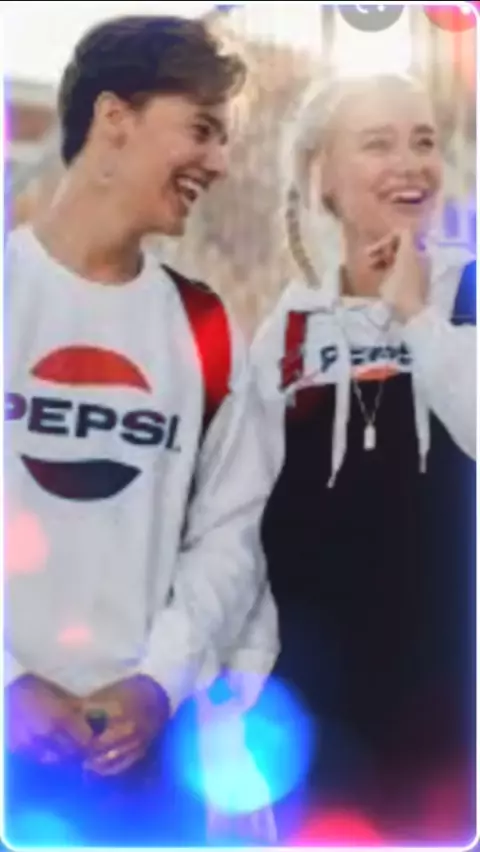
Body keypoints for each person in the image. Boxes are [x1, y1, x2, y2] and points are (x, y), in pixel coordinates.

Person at [4, 15, 278, 846]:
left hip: (142, 766)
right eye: (201, 129)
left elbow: (229, 536)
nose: (219, 163)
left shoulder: (205, 326)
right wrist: (9, 685)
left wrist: (158, 683)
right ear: (114, 118)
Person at [251, 72, 476, 844]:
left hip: (453, 696)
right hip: (317, 706)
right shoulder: (287, 331)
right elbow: (246, 524)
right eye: (379, 143)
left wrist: (415, 314)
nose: (410, 163)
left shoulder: (469, 293)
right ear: (322, 177)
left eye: (424, 141)